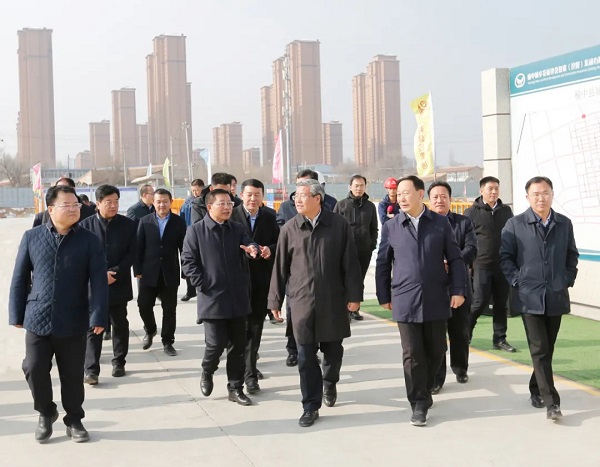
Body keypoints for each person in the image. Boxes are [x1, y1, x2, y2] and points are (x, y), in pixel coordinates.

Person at [9, 185, 108, 443]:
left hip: (73, 317)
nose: (74, 209)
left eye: (76, 205)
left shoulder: (89, 240)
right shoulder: (32, 237)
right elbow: (20, 278)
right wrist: (16, 313)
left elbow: (98, 281)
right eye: (67, 205)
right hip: (37, 316)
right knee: (33, 368)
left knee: (72, 374)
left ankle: (74, 419)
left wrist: (98, 315)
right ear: (51, 209)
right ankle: (46, 412)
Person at [269, 178, 363, 427]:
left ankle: (329, 382)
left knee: (333, 352)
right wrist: (275, 300)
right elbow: (280, 268)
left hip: (333, 300)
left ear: (317, 198)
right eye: (295, 197)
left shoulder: (338, 225)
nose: (297, 200)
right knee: (305, 357)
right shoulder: (289, 229)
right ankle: (310, 405)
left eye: (302, 196)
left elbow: (350, 263)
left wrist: (354, 296)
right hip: (301, 303)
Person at [375, 175, 466, 427]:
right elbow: (383, 262)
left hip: (436, 297)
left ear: (420, 194)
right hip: (404, 298)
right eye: (398, 194)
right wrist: (383, 295)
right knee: (412, 353)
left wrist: (458, 290)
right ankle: (418, 403)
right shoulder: (392, 226)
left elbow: (455, 259)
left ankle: (424, 390)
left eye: (406, 193)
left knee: (437, 350)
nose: (401, 198)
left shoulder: (440, 223)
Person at [500, 176, 578, 420]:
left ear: (552, 195)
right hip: (528, 297)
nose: (541, 198)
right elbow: (505, 258)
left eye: (545, 193)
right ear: (528, 197)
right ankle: (552, 403)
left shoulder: (564, 223)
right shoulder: (515, 224)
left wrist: (566, 278)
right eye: (536, 194)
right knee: (540, 348)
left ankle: (536, 388)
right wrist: (518, 281)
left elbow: (571, 255)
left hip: (555, 295)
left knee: (547, 348)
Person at [181, 189, 264, 406]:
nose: (227, 208)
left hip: (237, 297)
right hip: (213, 298)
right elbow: (188, 262)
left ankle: (235, 388)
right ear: (210, 207)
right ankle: (207, 370)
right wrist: (204, 284)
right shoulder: (196, 231)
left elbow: (250, 243)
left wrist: (253, 249)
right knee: (215, 344)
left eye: (229, 204)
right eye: (222, 204)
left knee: (238, 347)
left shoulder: (236, 228)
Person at [275, 169, 336, 367]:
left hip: (325, 284)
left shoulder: (332, 209)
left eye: (305, 190)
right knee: (296, 320)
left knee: (325, 334)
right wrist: (274, 300)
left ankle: (318, 363)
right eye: (297, 190)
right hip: (298, 283)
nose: (298, 198)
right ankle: (294, 351)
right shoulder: (287, 210)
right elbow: (280, 262)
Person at [80, 185, 136, 384]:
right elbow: (81, 256)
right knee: (93, 326)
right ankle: (91, 370)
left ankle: (119, 361)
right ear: (98, 203)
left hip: (118, 282)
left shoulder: (128, 225)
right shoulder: (84, 226)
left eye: (116, 202)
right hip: (93, 285)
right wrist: (99, 275)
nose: (113, 206)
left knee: (119, 323)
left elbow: (132, 252)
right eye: (108, 202)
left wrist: (116, 272)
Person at [427, 181, 477, 394]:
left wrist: (452, 261)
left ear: (450, 198)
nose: (439, 200)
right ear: (429, 200)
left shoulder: (463, 222)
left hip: (459, 285)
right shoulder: (424, 223)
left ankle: (460, 367)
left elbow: (472, 249)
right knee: (436, 336)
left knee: (460, 332)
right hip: (434, 288)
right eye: (435, 197)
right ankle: (437, 378)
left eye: (443, 196)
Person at [231, 179, 280, 394]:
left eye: (257, 195)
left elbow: (279, 242)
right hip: (235, 282)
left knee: (255, 329)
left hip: (260, 281)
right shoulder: (231, 215)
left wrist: (270, 249)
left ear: (262, 196)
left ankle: (250, 375)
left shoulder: (270, 216)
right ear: (241, 195)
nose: (253, 199)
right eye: (249, 194)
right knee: (237, 331)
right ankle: (242, 369)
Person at [465, 176, 516, 352]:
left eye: (496, 189)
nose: (494, 192)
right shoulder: (471, 212)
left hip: (502, 264)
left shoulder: (506, 211)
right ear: (481, 191)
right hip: (482, 264)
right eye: (490, 189)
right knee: (479, 302)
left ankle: (500, 339)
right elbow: (466, 239)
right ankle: (465, 333)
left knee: (501, 304)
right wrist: (469, 263)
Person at [134, 188, 187, 356]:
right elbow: (138, 247)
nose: (161, 205)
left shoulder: (179, 222)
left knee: (169, 309)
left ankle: (168, 341)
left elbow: (184, 248)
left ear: (171, 202)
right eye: (158, 201)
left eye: (165, 201)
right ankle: (150, 330)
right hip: (148, 272)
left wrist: (186, 270)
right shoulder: (145, 221)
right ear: (153, 202)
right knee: (143, 305)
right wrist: (137, 270)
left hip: (169, 272)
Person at [334, 174, 378, 321]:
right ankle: (343, 309)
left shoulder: (370, 206)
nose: (359, 188)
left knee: (359, 280)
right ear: (350, 187)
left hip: (364, 250)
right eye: (356, 186)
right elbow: (334, 228)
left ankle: (355, 309)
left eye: (362, 186)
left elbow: (374, 228)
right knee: (344, 279)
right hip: (345, 250)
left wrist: (371, 244)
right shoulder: (341, 205)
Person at [180, 178, 205, 302]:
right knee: (188, 263)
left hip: (201, 236)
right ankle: (190, 290)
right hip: (188, 235)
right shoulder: (187, 203)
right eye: (193, 190)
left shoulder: (206, 201)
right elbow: (181, 218)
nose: (195, 192)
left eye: (197, 190)